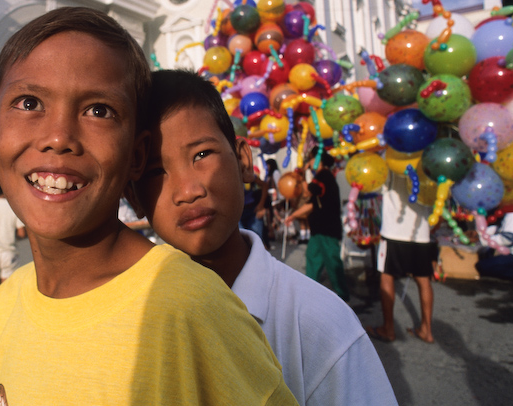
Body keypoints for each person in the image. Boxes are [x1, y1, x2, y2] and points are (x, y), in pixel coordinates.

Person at [0, 7, 296, 405]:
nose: (59, 137)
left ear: (137, 156)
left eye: (98, 111)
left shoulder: (188, 305)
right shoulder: (6, 302)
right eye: (29, 103)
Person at [131, 69, 397, 406]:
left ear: (243, 160)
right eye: (157, 171)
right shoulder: (131, 315)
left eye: (201, 155)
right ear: (135, 196)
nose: (188, 191)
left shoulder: (318, 324)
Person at [365, 174, 438, 344]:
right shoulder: (425, 158)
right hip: (421, 232)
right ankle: (426, 329)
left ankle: (388, 328)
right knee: (423, 279)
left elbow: (376, 185)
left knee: (387, 275)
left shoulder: (391, 158)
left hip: (394, 231)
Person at [285, 149, 350, 301]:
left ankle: (343, 294)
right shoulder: (322, 177)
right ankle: (309, 291)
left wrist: (302, 175)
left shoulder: (323, 176)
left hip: (326, 229)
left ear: (317, 159)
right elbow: (312, 205)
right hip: (319, 230)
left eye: (311, 158)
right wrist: (293, 216)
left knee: (332, 261)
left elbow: (307, 193)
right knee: (313, 257)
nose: (309, 162)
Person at [475, 210, 513, 283]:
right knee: (486, 255)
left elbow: (507, 238)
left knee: (483, 266)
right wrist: (481, 234)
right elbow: (502, 228)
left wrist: (481, 239)